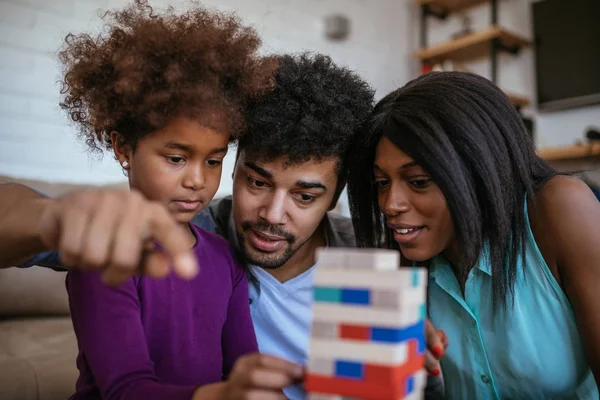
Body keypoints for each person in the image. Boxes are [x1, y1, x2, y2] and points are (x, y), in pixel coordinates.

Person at [0, 53, 446, 400]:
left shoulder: (369, 257)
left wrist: (409, 345)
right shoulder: (191, 229)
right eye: (257, 181)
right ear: (233, 165)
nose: (272, 214)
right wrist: (55, 216)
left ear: (337, 192)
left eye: (305, 196)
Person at [24, 1, 305, 399]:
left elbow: (242, 369)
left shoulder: (226, 259)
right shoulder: (105, 256)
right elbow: (126, 389)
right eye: (176, 158)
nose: (196, 180)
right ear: (123, 148)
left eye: (213, 161)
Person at [346, 71, 600, 399]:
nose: (390, 204)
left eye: (419, 181)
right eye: (381, 183)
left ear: (479, 170)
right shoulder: (397, 259)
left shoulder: (558, 210)